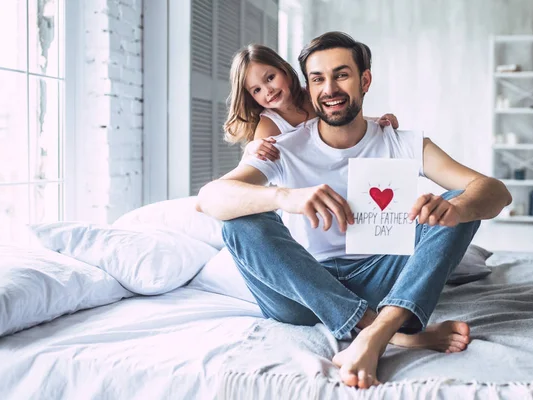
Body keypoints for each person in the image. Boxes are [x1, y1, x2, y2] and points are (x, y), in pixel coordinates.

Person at [197, 32, 511, 389]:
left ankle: (376, 333)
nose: (329, 88)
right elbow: (209, 198)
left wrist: (454, 208)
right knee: (240, 222)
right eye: (318, 79)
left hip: (381, 276)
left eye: (341, 75)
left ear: (365, 80)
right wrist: (285, 198)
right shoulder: (278, 146)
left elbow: (495, 191)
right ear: (309, 87)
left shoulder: (402, 141)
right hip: (302, 291)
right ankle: (396, 333)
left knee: (455, 204)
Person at [223, 44, 399, 161]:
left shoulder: (312, 96)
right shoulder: (269, 126)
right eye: (257, 90)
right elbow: (252, 168)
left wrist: (376, 121)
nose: (267, 90)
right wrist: (251, 149)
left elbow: (340, 119)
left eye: (270, 78)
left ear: (283, 69)